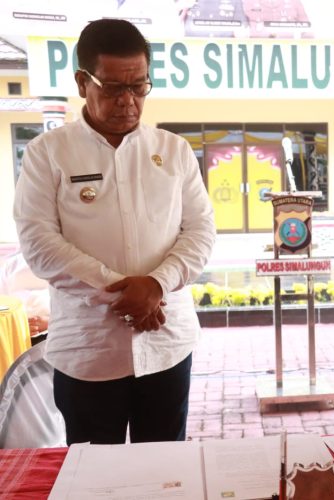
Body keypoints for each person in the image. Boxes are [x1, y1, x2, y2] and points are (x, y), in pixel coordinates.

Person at [13, 19, 215, 445]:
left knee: (165, 474)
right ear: (82, 81)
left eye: (139, 87)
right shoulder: (47, 153)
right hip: (88, 351)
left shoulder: (173, 151)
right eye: (112, 88)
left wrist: (157, 285)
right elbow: (40, 244)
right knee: (93, 479)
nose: (128, 101)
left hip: (167, 345)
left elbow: (200, 232)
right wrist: (124, 292)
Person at [0, 251, 50, 343]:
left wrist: (50, 323)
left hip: (51, 334)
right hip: (12, 336)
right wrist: (13, 328)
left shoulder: (68, 264)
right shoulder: (11, 264)